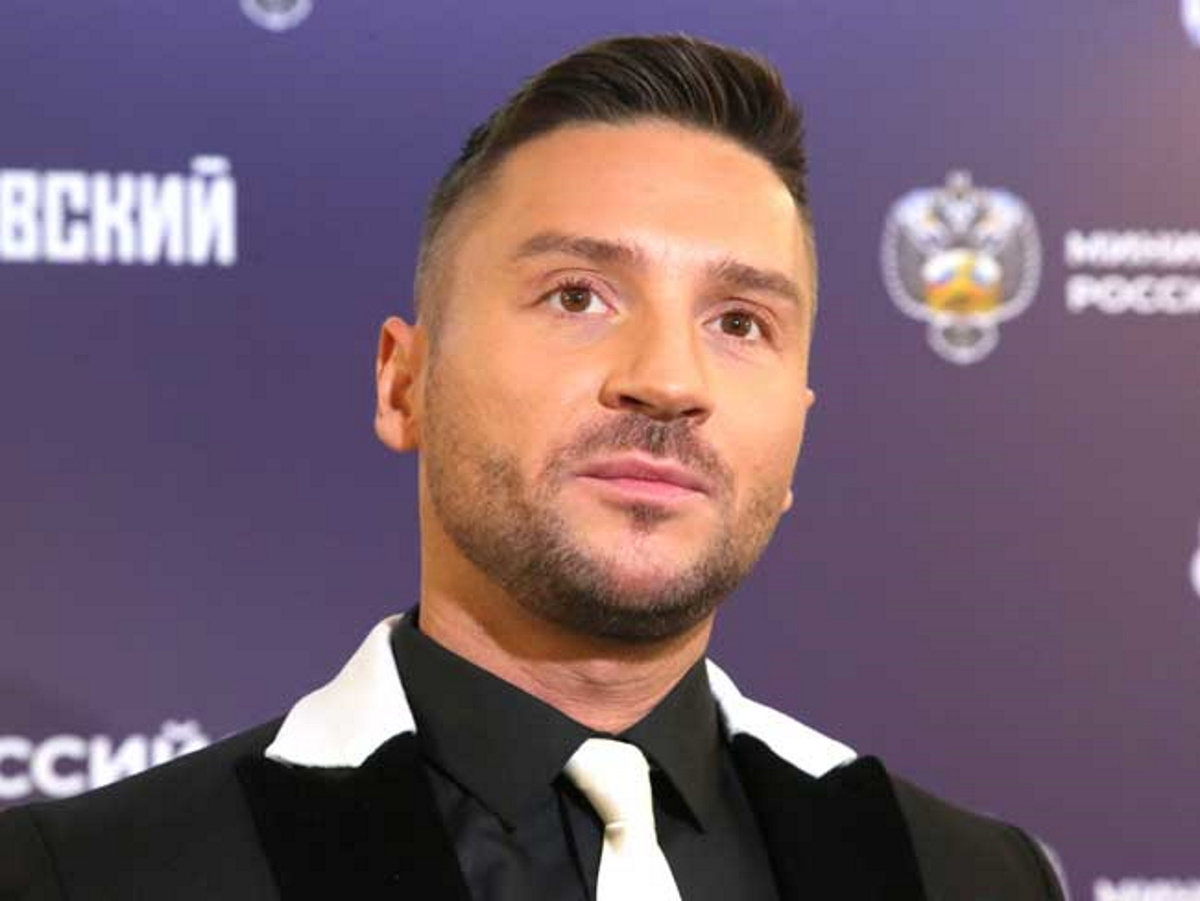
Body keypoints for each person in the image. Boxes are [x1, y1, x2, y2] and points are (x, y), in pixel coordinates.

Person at [0, 34, 1064, 900]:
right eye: (577, 296)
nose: (668, 380)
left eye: (740, 320)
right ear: (404, 384)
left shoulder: (968, 877)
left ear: (798, 431)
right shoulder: (93, 876)